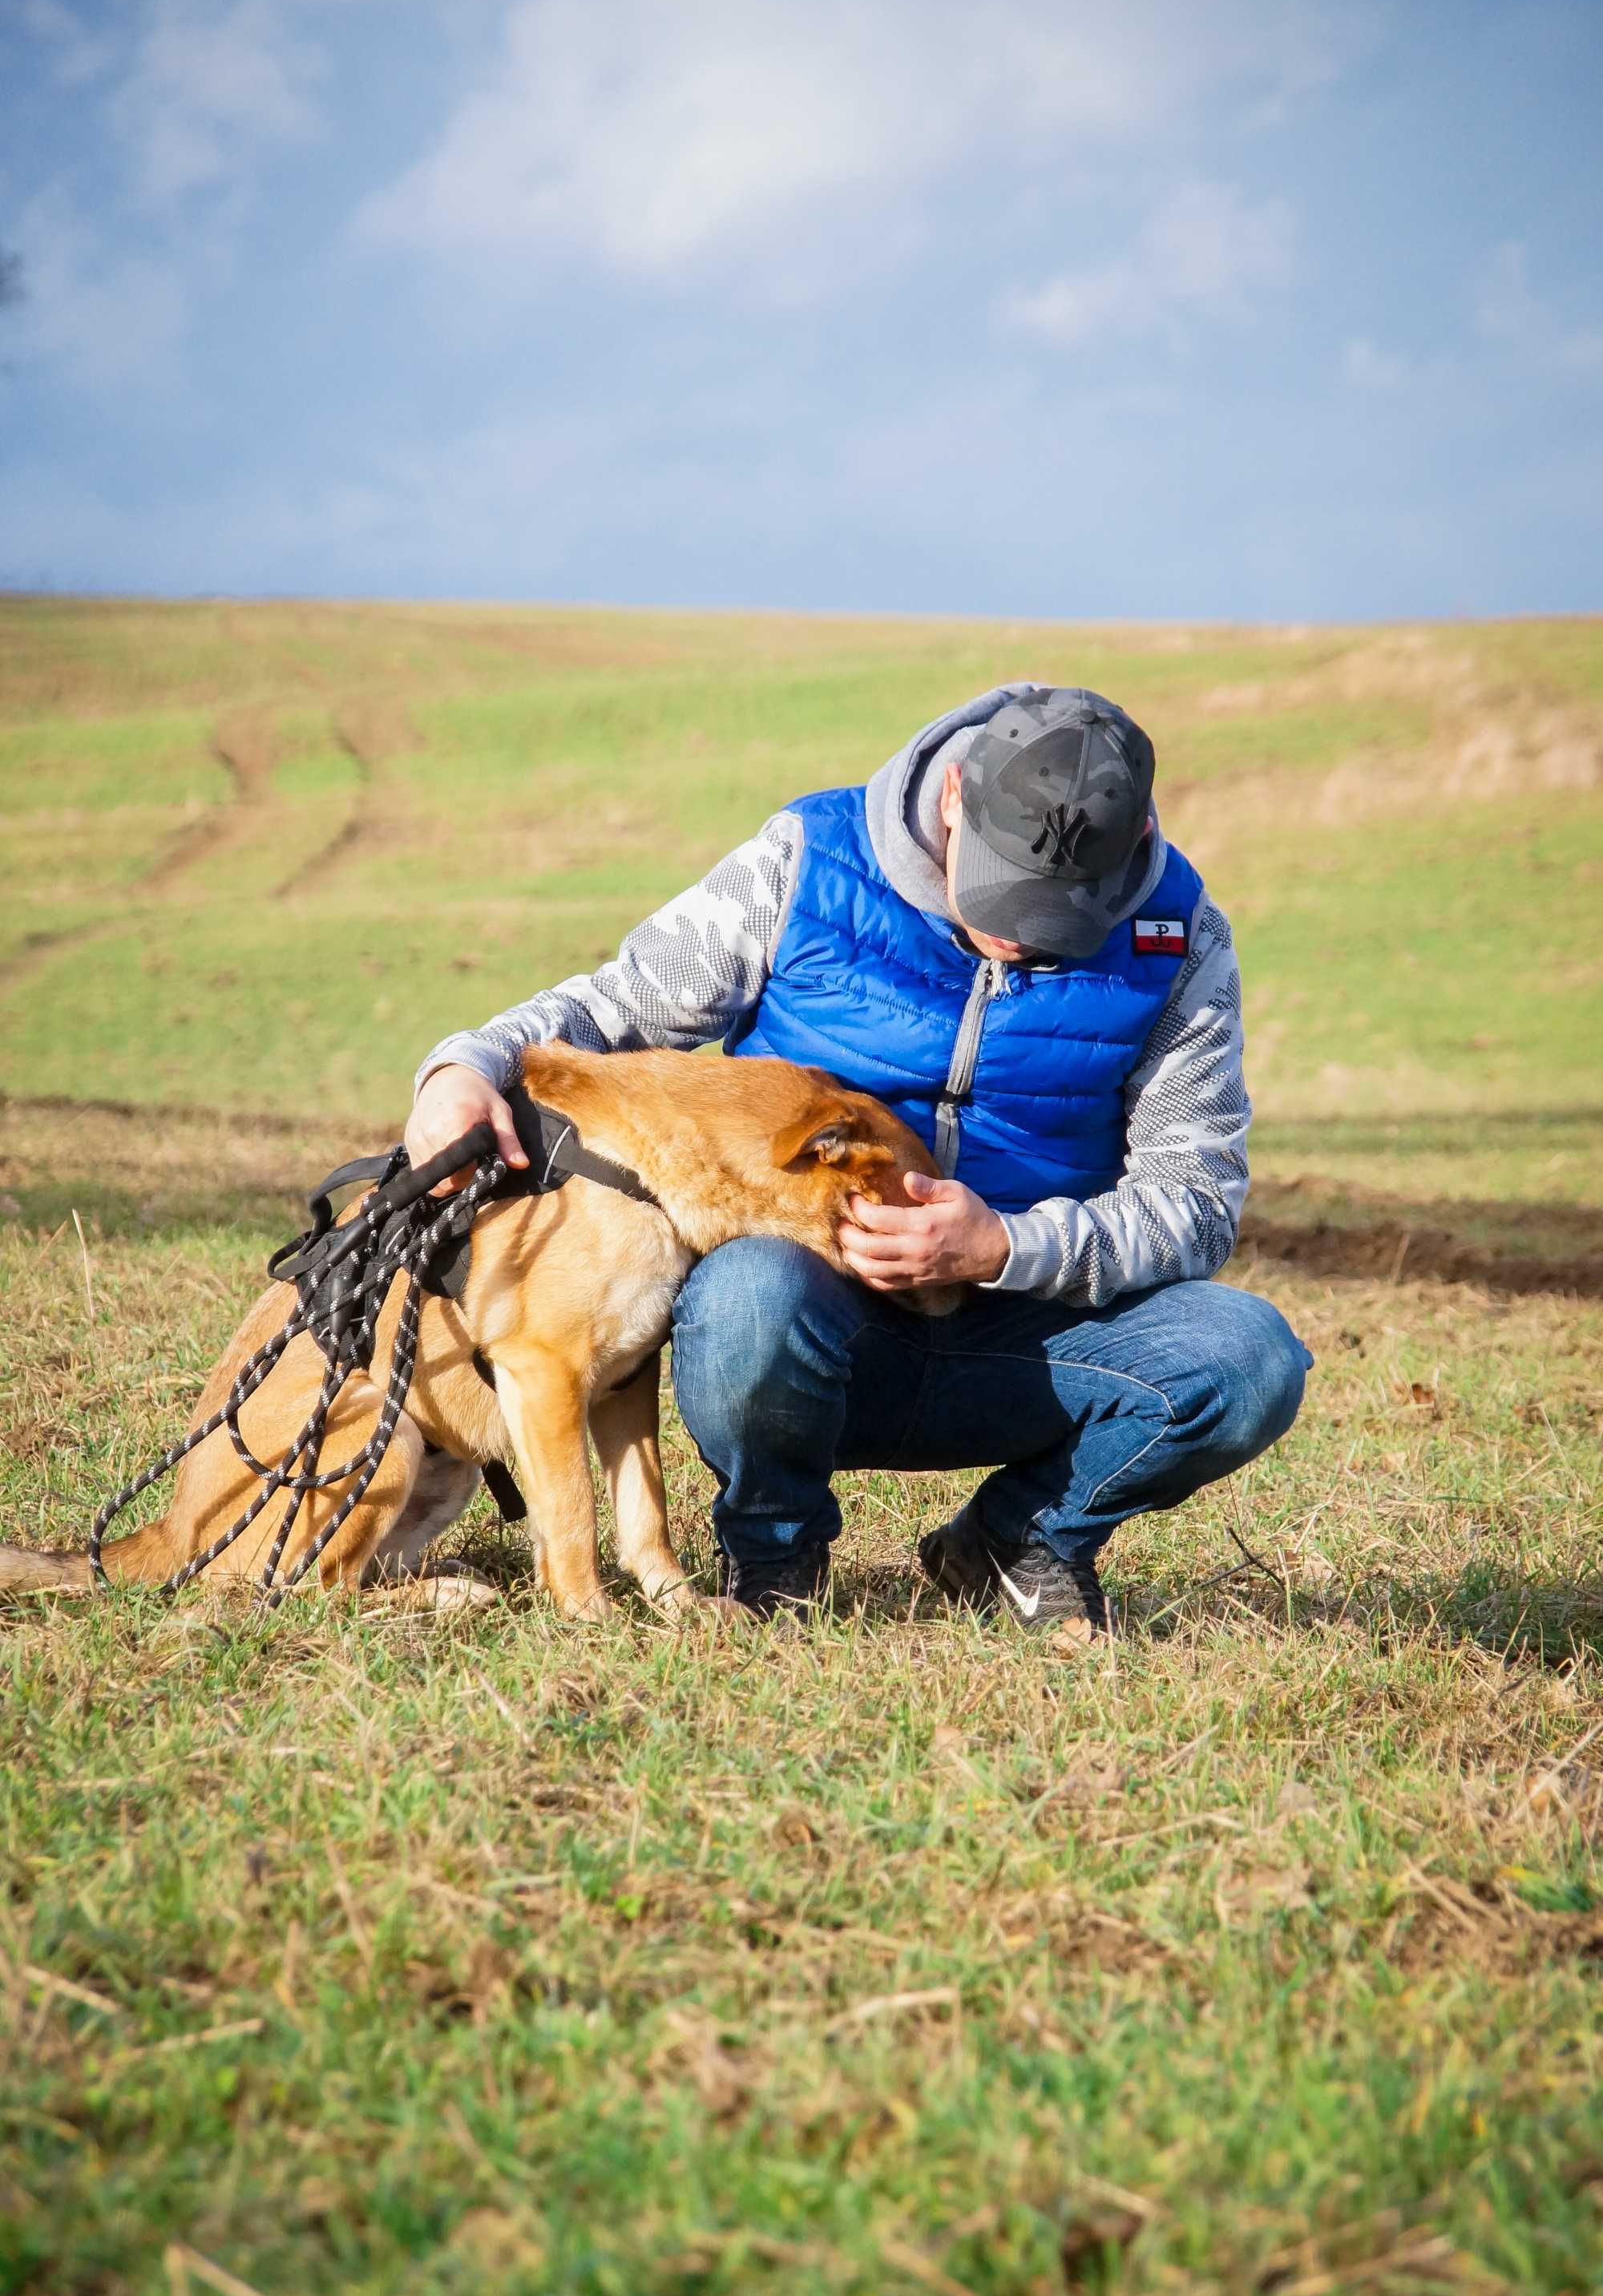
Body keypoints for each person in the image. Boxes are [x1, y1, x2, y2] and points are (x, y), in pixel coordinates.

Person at [406, 684, 1312, 1634]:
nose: (1019, 930)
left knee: (1247, 1358)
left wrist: (1002, 1246)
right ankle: (773, 1560)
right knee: (751, 1289)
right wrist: (463, 1065)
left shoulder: (1180, 940)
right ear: (954, 794)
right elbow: (614, 1005)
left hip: (1025, 1332)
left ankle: (1017, 1540)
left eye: (1062, 913)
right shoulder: (804, 862)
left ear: (1131, 848)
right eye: (1002, 886)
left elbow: (1196, 1204)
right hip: (803, 1328)